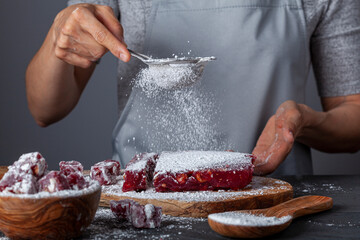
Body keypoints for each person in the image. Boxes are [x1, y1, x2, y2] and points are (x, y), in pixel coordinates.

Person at [26, 0, 360, 176]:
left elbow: (353, 112)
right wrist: (60, 33)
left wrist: (303, 122)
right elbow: (45, 109)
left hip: (271, 203)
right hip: (146, 204)